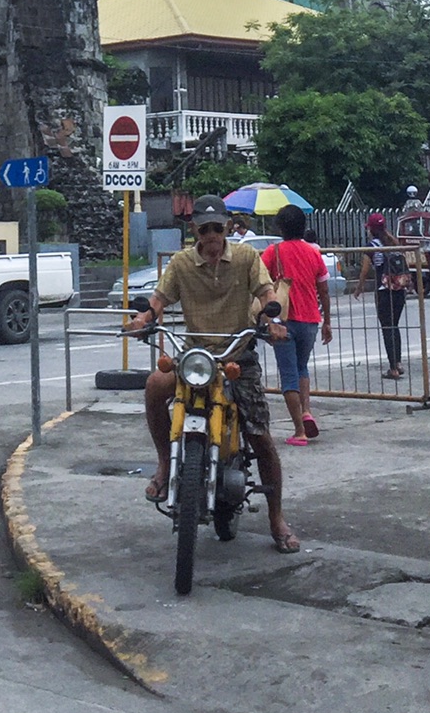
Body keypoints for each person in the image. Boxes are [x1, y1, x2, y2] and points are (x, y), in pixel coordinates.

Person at [128, 195, 298, 554]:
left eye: (216, 228)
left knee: (261, 438)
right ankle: (163, 463)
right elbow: (158, 300)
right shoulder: (181, 263)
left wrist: (271, 320)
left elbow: (267, 294)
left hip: (237, 356)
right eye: (203, 229)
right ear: (195, 231)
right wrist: (144, 319)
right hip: (196, 358)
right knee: (156, 383)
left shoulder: (247, 259)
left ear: (227, 228)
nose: (211, 236)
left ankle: (276, 518)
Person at [260, 206, 332, 444]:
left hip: (284, 320)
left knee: (288, 375)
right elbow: (323, 288)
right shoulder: (313, 252)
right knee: (302, 368)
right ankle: (306, 411)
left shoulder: (273, 252)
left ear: (280, 227)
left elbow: (259, 282)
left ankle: (299, 431)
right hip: (311, 320)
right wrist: (327, 321)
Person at [353, 213, 411, 381]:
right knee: (395, 326)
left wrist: (359, 288)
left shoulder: (372, 246)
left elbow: (365, 270)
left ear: (370, 229)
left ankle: (392, 368)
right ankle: (398, 362)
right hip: (399, 290)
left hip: (384, 290)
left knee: (387, 327)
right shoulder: (393, 243)